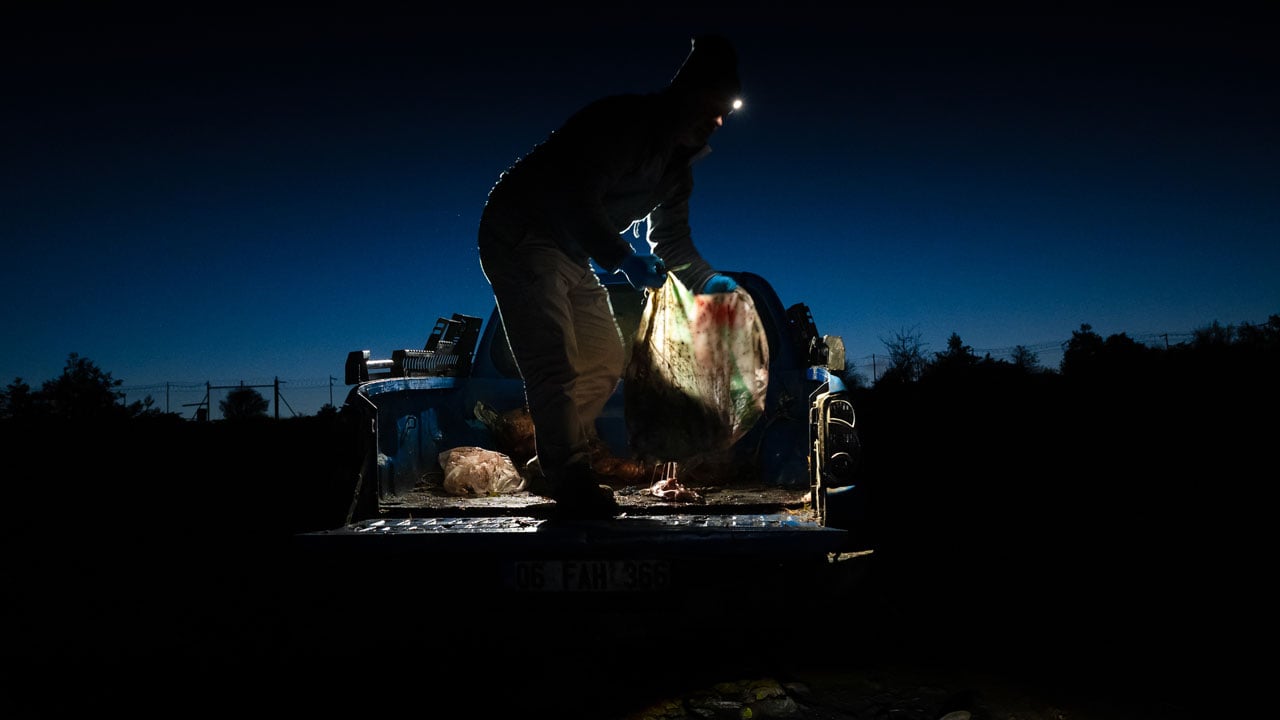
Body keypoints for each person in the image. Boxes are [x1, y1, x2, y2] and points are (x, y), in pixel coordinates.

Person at [477, 34, 745, 516]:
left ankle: (550, 463)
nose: (718, 122)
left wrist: (710, 282)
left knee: (603, 357)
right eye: (714, 107)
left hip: (573, 250)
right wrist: (624, 259)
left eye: (726, 113)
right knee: (553, 361)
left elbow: (672, 242)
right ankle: (569, 477)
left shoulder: (678, 170)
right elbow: (574, 196)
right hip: (521, 232)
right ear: (687, 94)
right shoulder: (623, 123)